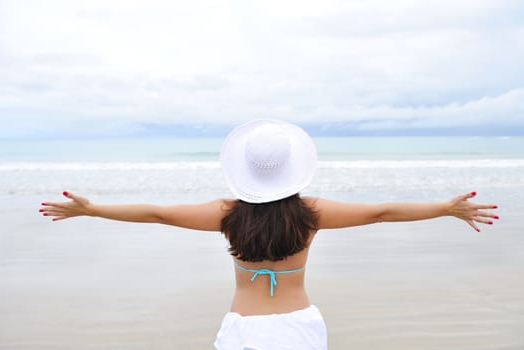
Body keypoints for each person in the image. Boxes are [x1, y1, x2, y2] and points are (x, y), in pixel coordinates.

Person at [39, 119, 498, 350]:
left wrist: (93, 210)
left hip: (242, 330)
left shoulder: (226, 214)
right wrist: (445, 208)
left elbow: (158, 214)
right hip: (299, 326)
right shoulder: (311, 214)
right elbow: (380, 211)